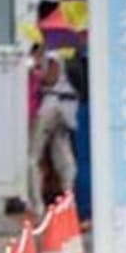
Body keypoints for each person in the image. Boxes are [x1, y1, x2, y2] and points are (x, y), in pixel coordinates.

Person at [29, 50, 79, 215]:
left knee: (34, 157)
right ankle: (68, 200)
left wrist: (36, 71)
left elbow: (51, 78)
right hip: (69, 105)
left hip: (51, 103)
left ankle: (37, 204)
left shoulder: (53, 51)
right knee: (64, 154)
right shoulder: (71, 50)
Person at [65, 33, 92, 223]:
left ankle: (84, 210)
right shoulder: (103, 55)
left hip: (82, 107)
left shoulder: (73, 58)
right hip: (91, 108)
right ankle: (86, 209)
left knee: (83, 161)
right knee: (87, 162)